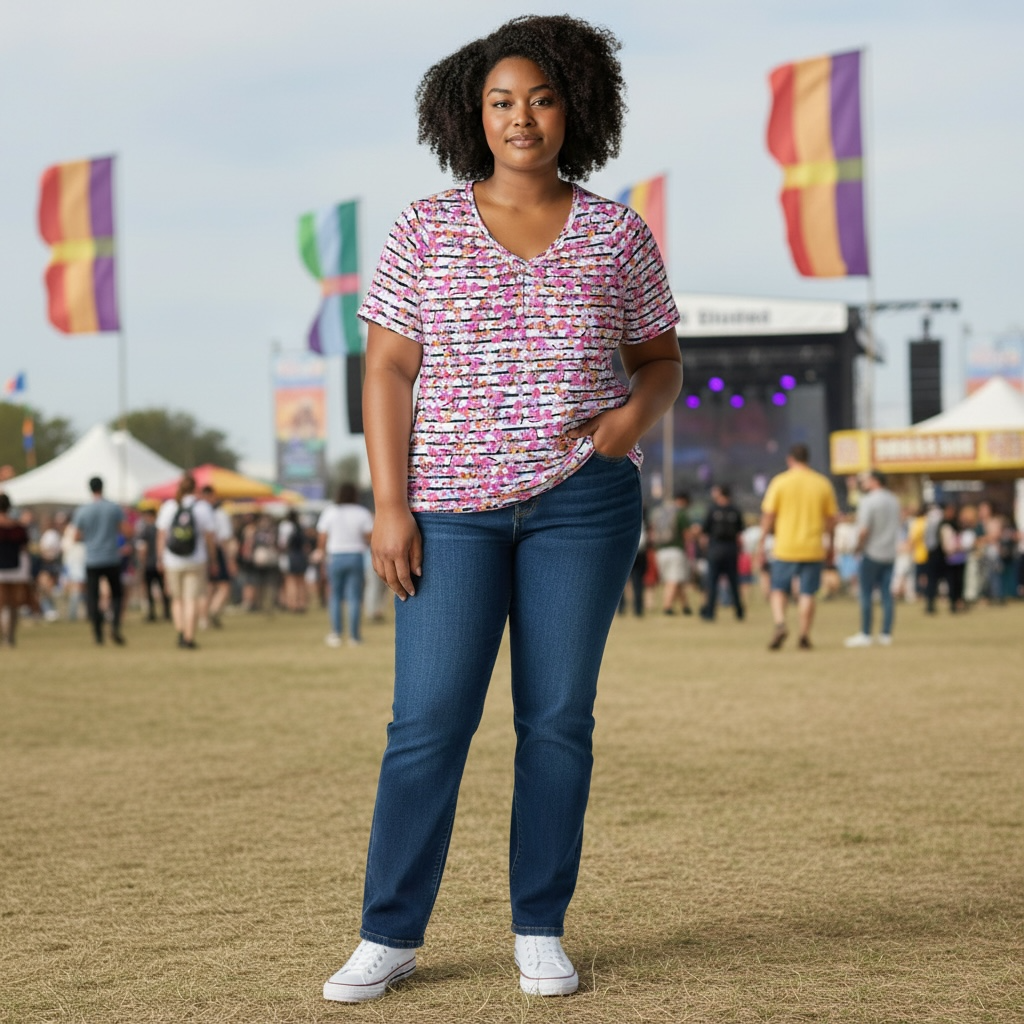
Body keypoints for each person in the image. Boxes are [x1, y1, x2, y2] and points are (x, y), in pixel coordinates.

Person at [321, 15, 682, 1005]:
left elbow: (660, 361)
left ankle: (538, 926)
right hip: (446, 511)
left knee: (557, 720)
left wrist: (626, 422)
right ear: (470, 115)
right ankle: (387, 932)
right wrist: (390, 505)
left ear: (577, 107)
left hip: (582, 506)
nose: (521, 117)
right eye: (500, 101)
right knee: (428, 721)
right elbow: (388, 368)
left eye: (541, 97)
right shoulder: (424, 227)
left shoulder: (617, 233)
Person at [756, 444, 839, 651]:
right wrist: (830, 543)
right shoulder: (822, 483)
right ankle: (804, 634)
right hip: (813, 546)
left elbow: (769, 515)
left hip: (785, 547)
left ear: (790, 459)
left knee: (778, 589)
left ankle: (780, 623)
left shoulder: (780, 482)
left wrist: (762, 541)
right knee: (807, 592)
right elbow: (831, 519)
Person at [156, 473, 217, 649]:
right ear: (195, 488)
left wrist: (160, 558)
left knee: (177, 599)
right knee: (192, 599)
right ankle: (189, 636)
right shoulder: (202, 507)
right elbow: (210, 536)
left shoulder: (169, 506)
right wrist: (213, 559)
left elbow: (161, 535)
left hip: (172, 559)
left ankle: (181, 631)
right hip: (196, 559)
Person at [844, 469, 902, 647]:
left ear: (875, 481)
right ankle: (886, 634)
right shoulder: (894, 500)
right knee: (886, 594)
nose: (863, 483)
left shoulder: (868, 501)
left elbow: (864, 530)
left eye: (866, 480)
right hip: (890, 553)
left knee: (866, 594)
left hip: (871, 553)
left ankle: (866, 633)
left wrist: (858, 547)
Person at [316, 483, 373, 647]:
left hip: (335, 556)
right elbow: (369, 536)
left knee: (335, 595)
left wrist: (321, 552)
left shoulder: (330, 511)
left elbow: (322, 536)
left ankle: (336, 633)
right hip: (356, 555)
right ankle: (354, 636)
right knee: (354, 597)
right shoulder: (362, 512)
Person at [72, 476, 126, 646]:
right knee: (117, 595)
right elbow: (126, 531)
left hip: (93, 559)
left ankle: (98, 634)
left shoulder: (83, 511)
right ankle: (115, 625)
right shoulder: (113, 508)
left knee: (93, 597)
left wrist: (91, 537)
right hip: (111, 557)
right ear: (103, 487)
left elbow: (76, 536)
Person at [699, 484, 744, 621]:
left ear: (720, 494)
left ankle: (710, 613)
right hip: (731, 549)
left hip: (716, 548)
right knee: (734, 582)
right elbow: (740, 532)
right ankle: (739, 612)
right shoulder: (735, 510)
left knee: (712, 582)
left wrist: (704, 549)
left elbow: (704, 531)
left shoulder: (712, 509)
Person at [649, 493, 693, 616]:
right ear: (684, 501)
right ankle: (667, 607)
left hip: (660, 551)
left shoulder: (659, 513)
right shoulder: (681, 513)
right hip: (676, 550)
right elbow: (687, 535)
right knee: (673, 580)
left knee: (676, 579)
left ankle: (686, 606)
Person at [200, 485, 235, 628]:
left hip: (199, 554)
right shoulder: (220, 514)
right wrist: (230, 560)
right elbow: (224, 539)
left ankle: (203, 619)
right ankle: (213, 612)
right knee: (224, 586)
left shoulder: (196, 511)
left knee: (207, 587)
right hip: (215, 552)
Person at [0, 493, 31, 647]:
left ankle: (2, 635)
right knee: (13, 605)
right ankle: (10, 636)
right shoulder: (18, 527)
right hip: (16, 568)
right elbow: (24, 547)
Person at [135, 506, 172, 623]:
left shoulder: (145, 529)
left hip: (149, 564)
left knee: (149, 590)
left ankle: (151, 613)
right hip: (162, 563)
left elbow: (142, 548)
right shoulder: (161, 529)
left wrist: (141, 563)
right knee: (163, 589)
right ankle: (167, 613)